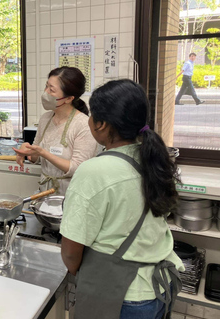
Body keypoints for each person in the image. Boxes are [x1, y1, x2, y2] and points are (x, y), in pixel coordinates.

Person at [60, 79, 184, 319]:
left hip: (123, 297)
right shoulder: (152, 157)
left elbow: (71, 253)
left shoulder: (94, 171)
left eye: (92, 114)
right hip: (160, 285)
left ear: (102, 124)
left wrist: (85, 274)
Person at [14, 67, 98, 195]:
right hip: (45, 193)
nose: (45, 92)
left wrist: (44, 152)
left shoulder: (83, 125)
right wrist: (26, 149)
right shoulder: (45, 119)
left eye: (51, 90)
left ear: (69, 98)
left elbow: (77, 168)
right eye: (46, 86)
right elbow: (35, 157)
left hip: (71, 195)